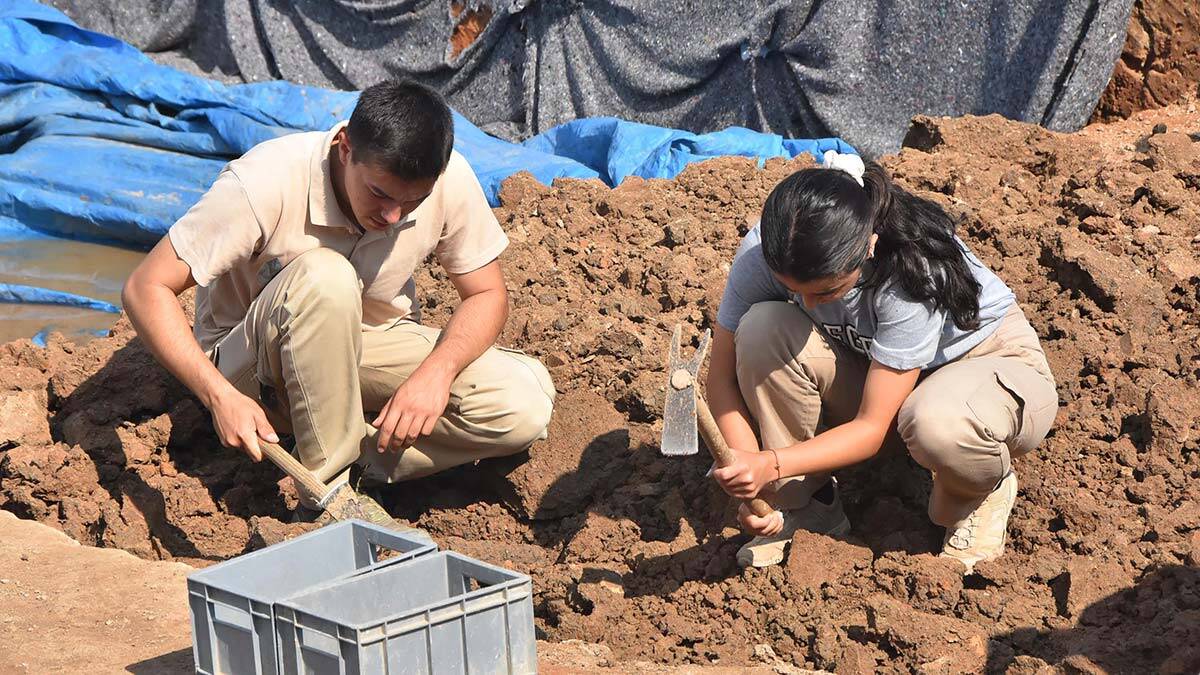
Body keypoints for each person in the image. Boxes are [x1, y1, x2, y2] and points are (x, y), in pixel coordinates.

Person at [122, 80, 556, 509]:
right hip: (254, 369)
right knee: (326, 276)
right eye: (380, 194)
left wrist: (436, 375)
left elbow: (486, 294)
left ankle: (338, 457)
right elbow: (146, 287)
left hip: (367, 344)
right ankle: (329, 499)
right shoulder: (264, 183)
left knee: (522, 401)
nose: (392, 215)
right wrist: (219, 396)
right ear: (346, 148)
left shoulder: (448, 179)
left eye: (412, 203)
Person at [707, 151, 1057, 572]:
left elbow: (871, 428)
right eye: (792, 289)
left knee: (936, 421)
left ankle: (977, 492)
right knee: (763, 327)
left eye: (825, 291)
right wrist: (754, 483)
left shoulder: (911, 274)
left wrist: (772, 464)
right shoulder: (768, 252)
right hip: (880, 374)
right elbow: (721, 380)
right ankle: (807, 505)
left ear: (869, 245)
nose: (806, 303)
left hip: (986, 365)